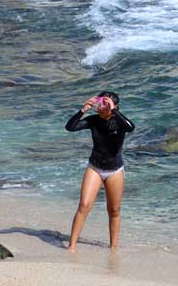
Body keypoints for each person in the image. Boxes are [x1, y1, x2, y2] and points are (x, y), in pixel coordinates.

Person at [64, 91, 134, 252]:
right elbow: (70, 127)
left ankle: (113, 247)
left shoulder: (119, 122)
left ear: (114, 106)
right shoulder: (93, 120)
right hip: (95, 167)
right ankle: (72, 246)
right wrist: (83, 110)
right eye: (100, 101)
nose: (101, 104)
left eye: (105, 102)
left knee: (114, 210)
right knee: (84, 205)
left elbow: (131, 127)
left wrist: (114, 110)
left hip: (115, 170)